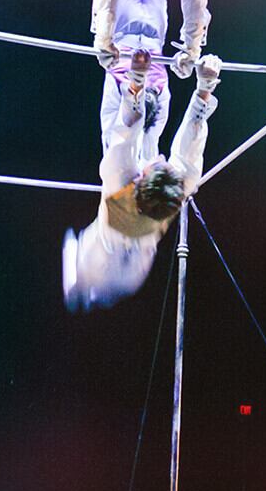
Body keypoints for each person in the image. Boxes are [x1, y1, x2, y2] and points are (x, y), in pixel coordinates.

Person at [63, 50, 221, 311]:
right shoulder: (179, 187)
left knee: (94, 268)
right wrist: (205, 87)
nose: (160, 158)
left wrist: (136, 81)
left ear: (138, 180)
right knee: (121, 279)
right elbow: (190, 146)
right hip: (135, 257)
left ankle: (86, 286)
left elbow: (126, 132)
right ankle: (93, 291)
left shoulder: (118, 181)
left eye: (155, 164)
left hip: (103, 250)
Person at [99, 0, 172, 162]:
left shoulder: (115, 142)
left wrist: (137, 80)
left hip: (124, 33)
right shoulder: (155, 128)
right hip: (154, 39)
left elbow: (123, 128)